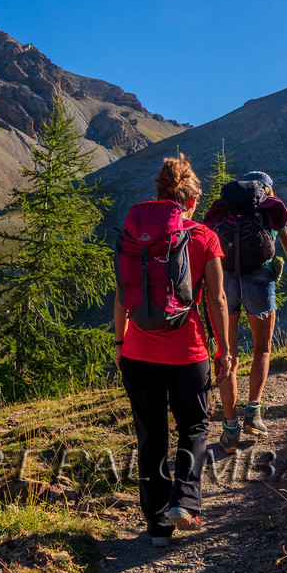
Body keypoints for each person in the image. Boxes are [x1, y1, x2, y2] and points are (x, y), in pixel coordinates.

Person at [113, 155, 234, 547]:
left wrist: (120, 342)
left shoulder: (137, 236)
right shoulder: (203, 236)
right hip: (187, 352)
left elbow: (121, 296)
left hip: (137, 351)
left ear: (160, 195)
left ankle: (157, 527)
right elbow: (216, 300)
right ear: (191, 201)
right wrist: (225, 350)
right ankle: (185, 500)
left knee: (151, 438)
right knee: (194, 427)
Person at [202, 170, 287, 451]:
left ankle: (229, 428)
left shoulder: (225, 211)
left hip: (224, 284)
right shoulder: (272, 213)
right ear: (266, 190)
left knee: (228, 355)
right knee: (262, 349)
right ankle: (253, 413)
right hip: (259, 282)